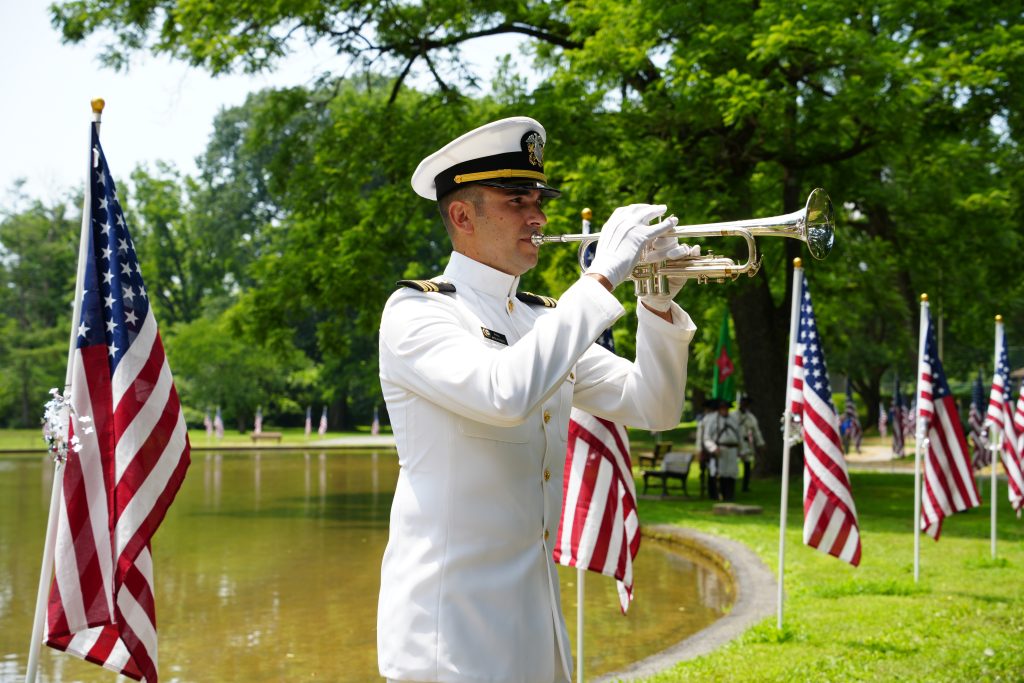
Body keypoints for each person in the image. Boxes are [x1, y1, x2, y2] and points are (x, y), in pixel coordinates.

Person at [376, 117, 700, 683]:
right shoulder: (417, 313)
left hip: (536, 627)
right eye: (516, 201)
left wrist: (656, 302)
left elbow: (655, 407)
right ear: (461, 215)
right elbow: (504, 393)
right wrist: (600, 279)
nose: (539, 217)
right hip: (448, 637)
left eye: (539, 199)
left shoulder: (540, 319)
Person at [702, 398, 742, 501]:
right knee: (720, 473)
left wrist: (741, 450)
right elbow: (707, 438)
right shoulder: (712, 420)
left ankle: (730, 495)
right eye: (722, 408)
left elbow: (739, 436)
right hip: (720, 449)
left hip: (732, 450)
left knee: (732, 473)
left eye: (726, 408)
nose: (725, 410)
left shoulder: (733, 419)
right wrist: (713, 448)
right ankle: (720, 495)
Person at [737, 395, 765, 493]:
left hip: (745, 443)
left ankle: (745, 486)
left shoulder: (751, 417)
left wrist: (760, 443)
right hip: (734, 443)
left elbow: (756, 432)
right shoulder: (733, 415)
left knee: (747, 465)